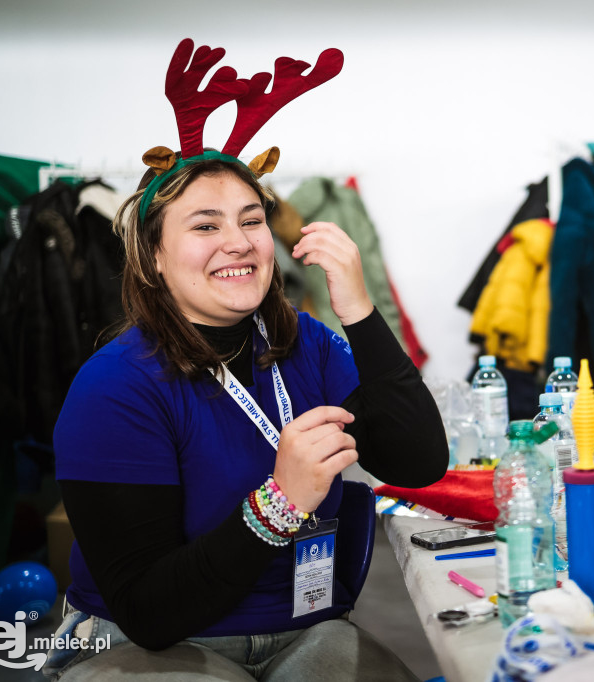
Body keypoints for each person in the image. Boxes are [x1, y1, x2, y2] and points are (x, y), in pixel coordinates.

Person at [43, 40, 448, 681]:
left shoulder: (307, 344)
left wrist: (361, 312)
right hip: (150, 644)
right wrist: (281, 501)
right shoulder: (115, 387)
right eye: (205, 226)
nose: (238, 242)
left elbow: (418, 462)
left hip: (302, 626)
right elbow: (149, 612)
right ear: (152, 257)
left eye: (252, 219)